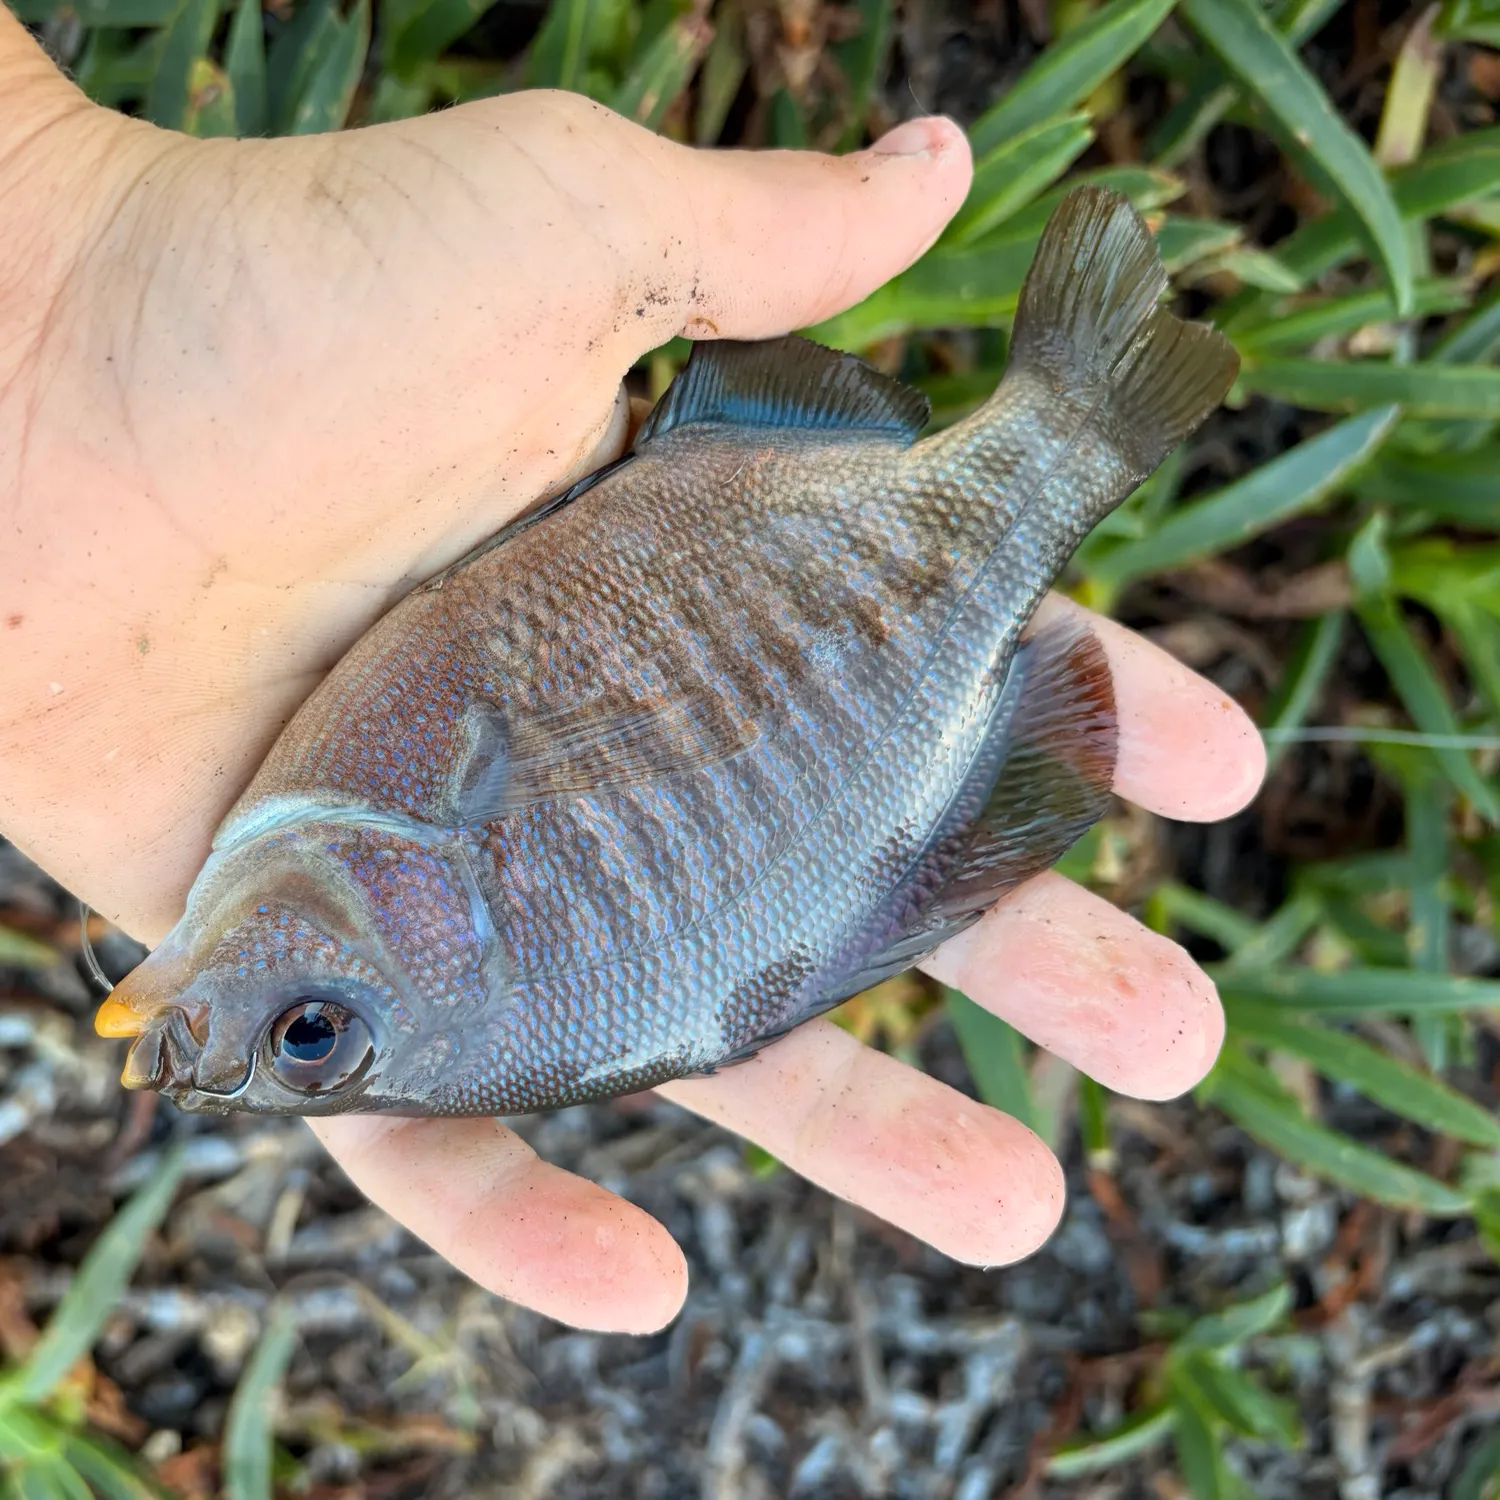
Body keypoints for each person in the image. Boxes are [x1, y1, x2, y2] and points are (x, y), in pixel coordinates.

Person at [0, 9, 1264, 1334]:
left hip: (750, 520)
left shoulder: (339, 820)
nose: (239, 1026)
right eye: (309, 1033)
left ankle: (1078, 430)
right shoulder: (386, 844)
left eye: (305, 1038)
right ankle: (1080, 428)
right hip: (792, 555)